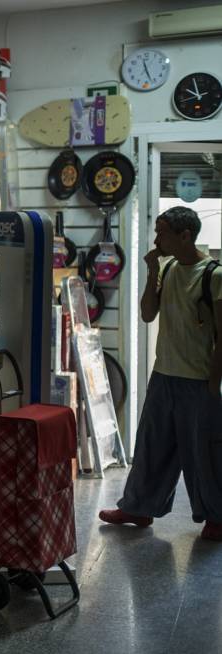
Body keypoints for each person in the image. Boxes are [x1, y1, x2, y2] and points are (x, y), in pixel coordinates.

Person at [99, 207, 222, 540]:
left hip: (199, 379)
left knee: (203, 452)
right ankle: (138, 507)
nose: (156, 239)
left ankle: (217, 516)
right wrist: (152, 270)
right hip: (164, 373)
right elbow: (147, 314)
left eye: (162, 232)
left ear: (185, 236)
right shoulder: (166, 269)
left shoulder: (213, 274)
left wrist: (214, 381)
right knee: (152, 445)